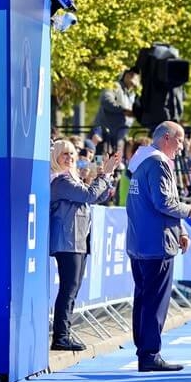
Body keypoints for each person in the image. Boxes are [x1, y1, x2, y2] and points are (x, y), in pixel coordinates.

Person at [125, 121, 191, 372]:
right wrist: (189, 209)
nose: (182, 147)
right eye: (180, 140)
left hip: (141, 242)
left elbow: (158, 202)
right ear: (166, 138)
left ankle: (145, 352)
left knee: (143, 299)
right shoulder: (158, 163)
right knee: (154, 302)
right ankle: (150, 354)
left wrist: (180, 230)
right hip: (156, 243)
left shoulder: (141, 162)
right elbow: (165, 203)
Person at [48, 139, 121, 352]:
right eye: (64, 154)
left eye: (72, 154)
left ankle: (64, 334)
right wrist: (105, 175)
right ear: (55, 157)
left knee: (73, 288)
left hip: (78, 239)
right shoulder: (61, 181)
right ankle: (61, 336)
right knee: (68, 288)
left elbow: (95, 197)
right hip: (67, 240)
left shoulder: (71, 178)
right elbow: (88, 195)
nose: (70, 158)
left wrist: (105, 177)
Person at [90, 68, 140, 156]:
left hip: (119, 139)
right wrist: (123, 110)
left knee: (117, 163)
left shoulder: (133, 95)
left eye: (136, 74)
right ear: (124, 75)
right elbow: (106, 100)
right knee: (100, 161)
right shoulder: (115, 86)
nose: (133, 76)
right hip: (104, 136)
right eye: (130, 73)